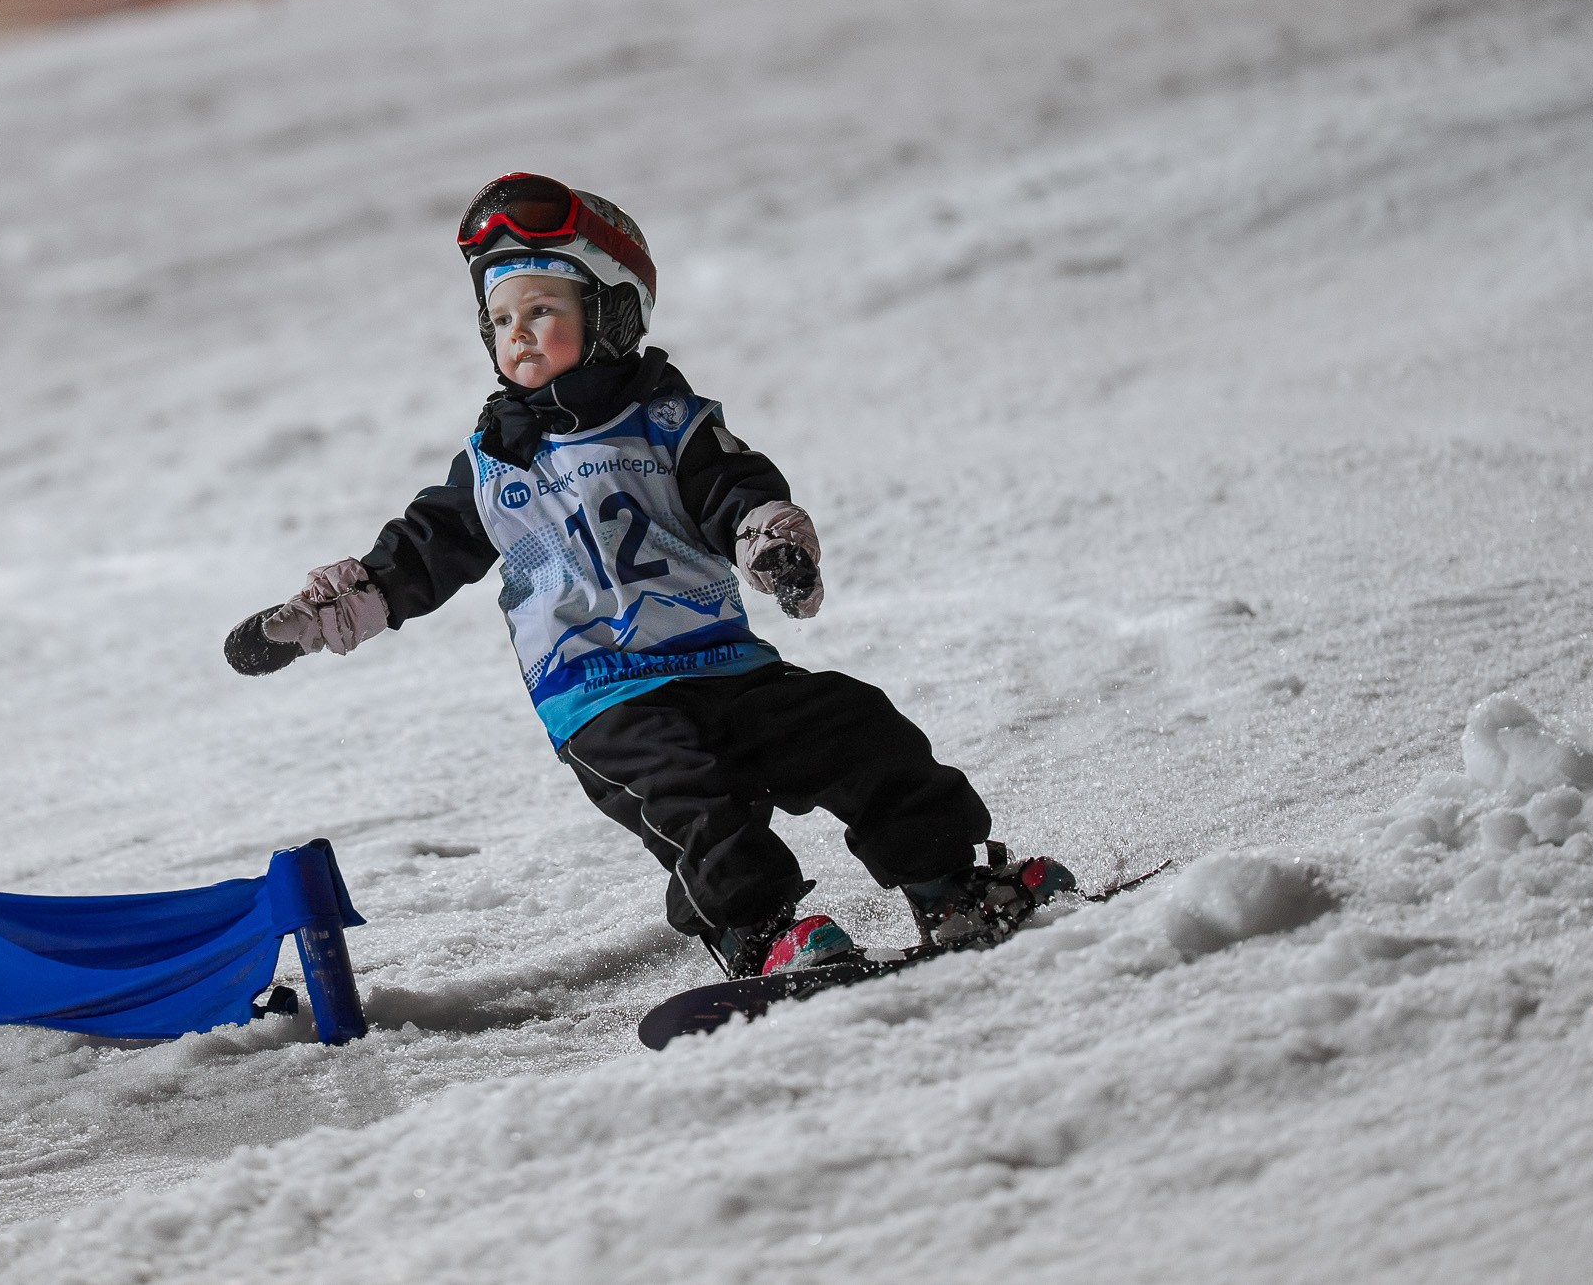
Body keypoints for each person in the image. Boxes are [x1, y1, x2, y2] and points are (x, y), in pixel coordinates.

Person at [225, 173, 1071, 981]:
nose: (517, 332)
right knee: (696, 801)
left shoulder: (671, 423)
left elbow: (734, 491)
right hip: (601, 694)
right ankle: (760, 932)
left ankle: (950, 889)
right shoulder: (491, 465)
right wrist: (323, 612)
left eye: (544, 309)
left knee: (856, 727)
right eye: (502, 317)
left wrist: (769, 541)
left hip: (722, 663)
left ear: (614, 312)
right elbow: (414, 557)